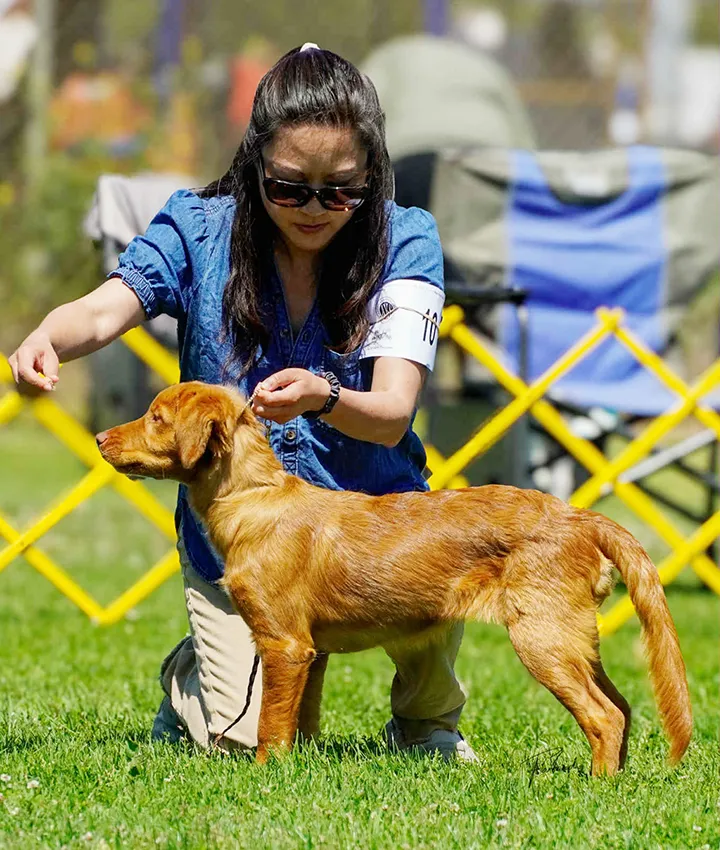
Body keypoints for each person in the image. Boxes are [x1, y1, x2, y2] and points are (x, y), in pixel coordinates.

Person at [9, 44, 477, 762]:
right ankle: (196, 676)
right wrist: (49, 336)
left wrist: (324, 396)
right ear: (255, 163)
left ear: (371, 176)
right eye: (290, 187)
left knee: (436, 555)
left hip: (374, 526)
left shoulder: (405, 238)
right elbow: (105, 312)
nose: (316, 208)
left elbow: (391, 414)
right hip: (246, 541)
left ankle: (428, 724)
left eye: (341, 190)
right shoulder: (199, 228)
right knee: (232, 740)